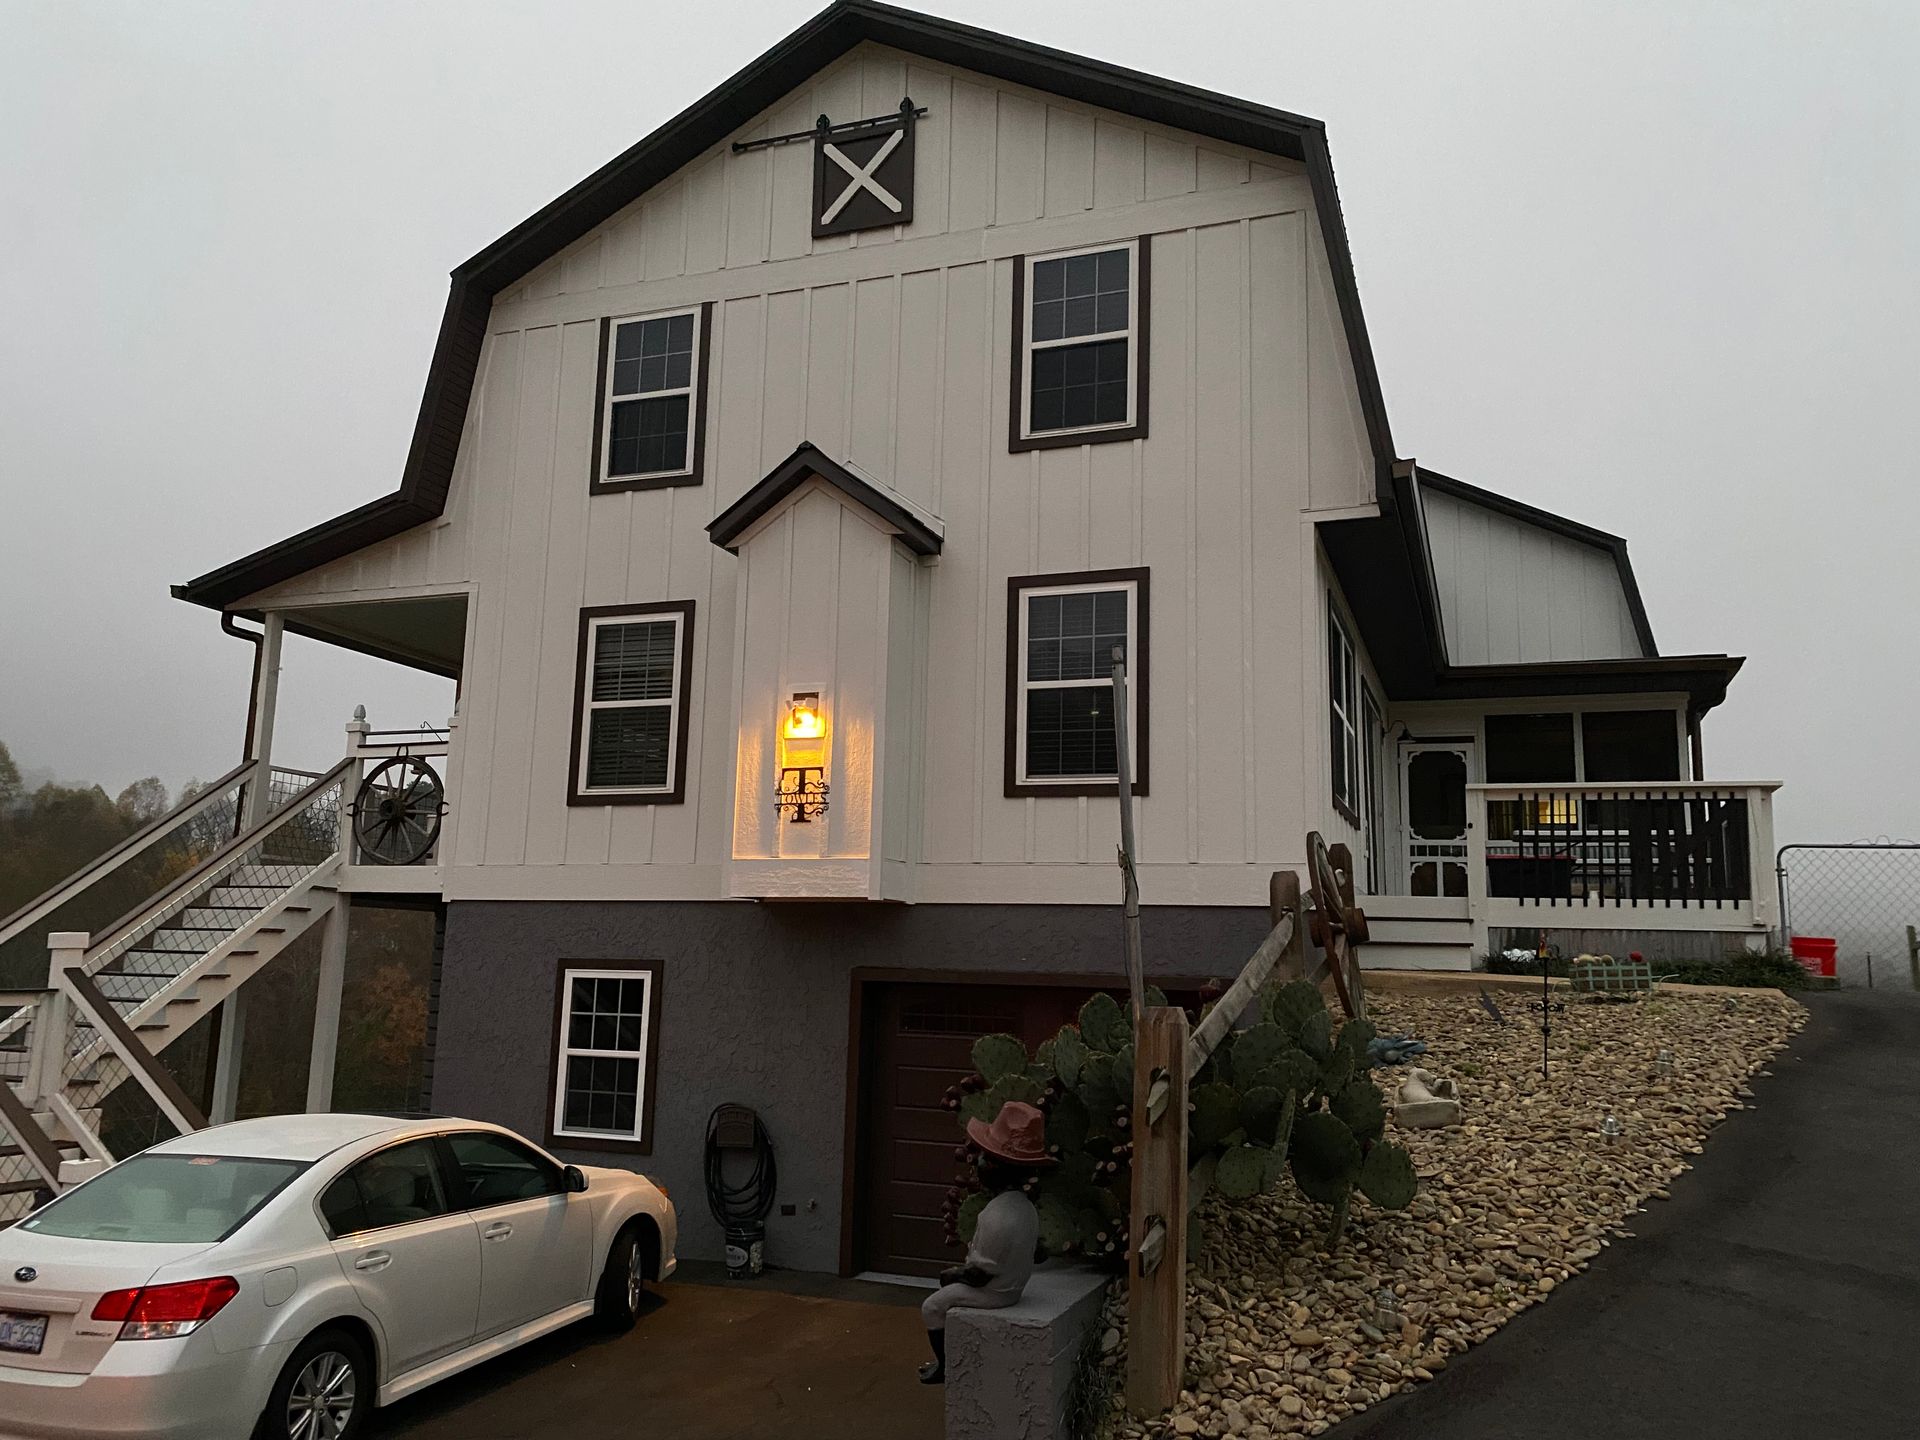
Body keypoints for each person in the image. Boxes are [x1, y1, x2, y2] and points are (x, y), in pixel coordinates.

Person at [918, 1099, 1053, 1384]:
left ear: (994, 1168)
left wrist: (952, 1276)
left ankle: (945, 1367)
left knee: (932, 1306)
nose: (976, 1162)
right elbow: (1039, 1252)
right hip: (1016, 1285)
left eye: (983, 1157)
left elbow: (979, 1275)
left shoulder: (997, 1216)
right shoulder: (1025, 1207)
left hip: (996, 1292)